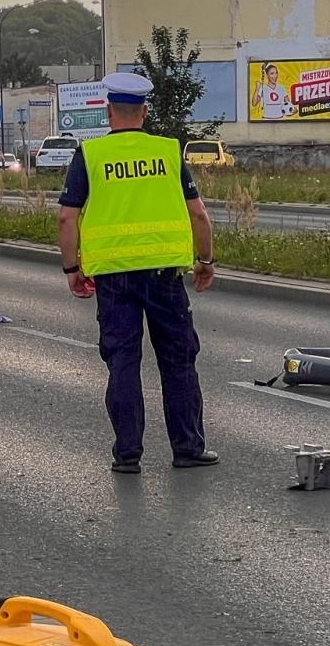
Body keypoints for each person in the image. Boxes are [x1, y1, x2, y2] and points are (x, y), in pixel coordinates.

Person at [57, 71, 218, 474]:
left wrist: (72, 268)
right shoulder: (168, 152)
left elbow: (66, 217)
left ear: (109, 112)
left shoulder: (90, 155)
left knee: (124, 362)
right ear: (144, 113)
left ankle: (128, 454)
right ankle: (187, 449)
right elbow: (198, 213)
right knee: (179, 362)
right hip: (165, 276)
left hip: (113, 278)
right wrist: (205, 261)